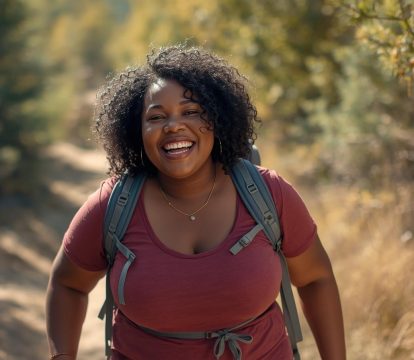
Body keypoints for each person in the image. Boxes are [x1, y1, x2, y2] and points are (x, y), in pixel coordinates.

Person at [46, 44, 346, 360]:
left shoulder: (267, 194)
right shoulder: (114, 205)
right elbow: (67, 284)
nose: (173, 125)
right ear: (138, 130)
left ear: (217, 119)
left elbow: (315, 278)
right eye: (156, 116)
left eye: (191, 112)